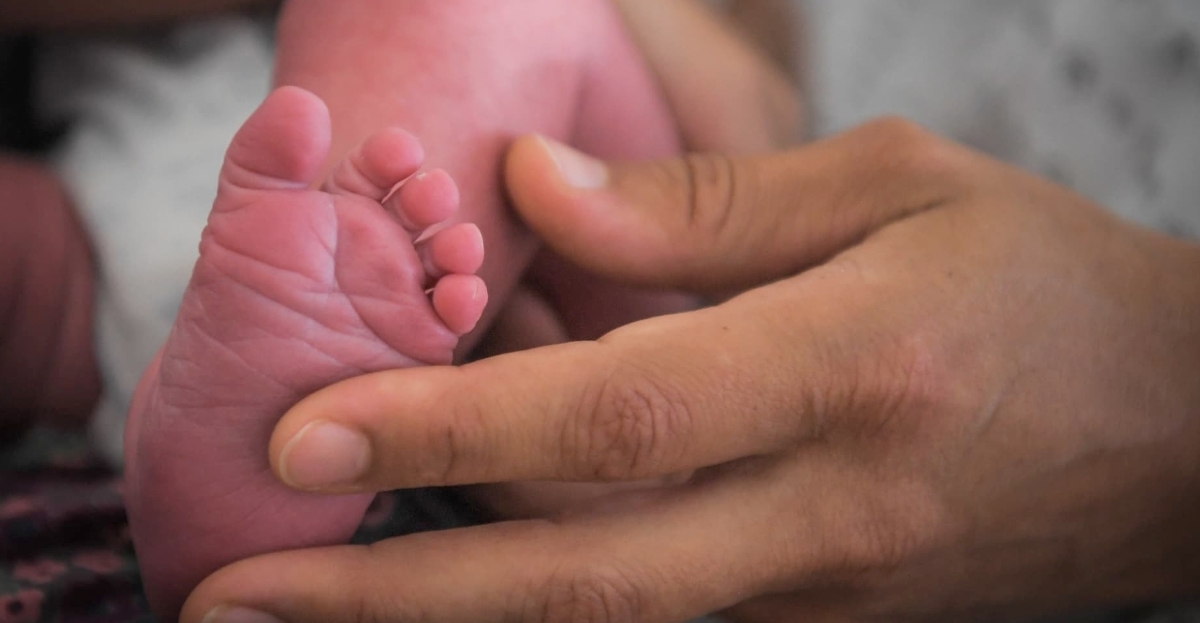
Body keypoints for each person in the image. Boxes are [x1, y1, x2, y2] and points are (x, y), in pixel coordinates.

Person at [173, 5, 1200, 623]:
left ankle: (235, 417)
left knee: (478, 23)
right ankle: (256, 381)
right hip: (683, 201)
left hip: (799, 264)